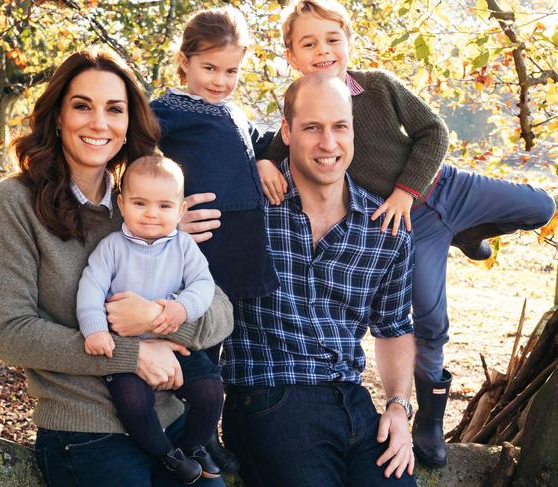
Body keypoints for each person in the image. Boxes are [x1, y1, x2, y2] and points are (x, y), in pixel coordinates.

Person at [255, 0, 556, 468]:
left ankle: (473, 232)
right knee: (429, 319)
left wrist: (405, 190)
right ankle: (430, 421)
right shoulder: (300, 106)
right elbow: (280, 147)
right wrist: (260, 163)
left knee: (542, 206)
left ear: (349, 43)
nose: (323, 50)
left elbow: (433, 131)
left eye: (333, 39)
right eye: (308, 43)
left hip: (446, 188)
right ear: (292, 55)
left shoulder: (377, 86)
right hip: (412, 228)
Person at [0, 47, 231, 487]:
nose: (99, 123)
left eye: (114, 109)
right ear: (57, 115)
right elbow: (13, 334)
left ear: (129, 121)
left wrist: (158, 317)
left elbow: (222, 312)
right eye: (82, 106)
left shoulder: (144, 204)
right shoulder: (14, 202)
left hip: (172, 422)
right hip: (87, 434)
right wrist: (135, 354)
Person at [185, 74, 417, 486]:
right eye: (312, 127)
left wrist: (398, 406)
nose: (329, 143)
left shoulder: (385, 227)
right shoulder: (245, 211)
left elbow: (394, 327)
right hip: (269, 395)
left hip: (355, 402)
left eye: (339, 127)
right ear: (287, 132)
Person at [149, 6, 278, 471]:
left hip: (240, 245)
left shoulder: (234, 111)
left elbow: (260, 139)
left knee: (224, 342)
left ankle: (216, 429)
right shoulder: (166, 111)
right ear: (184, 61)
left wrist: (264, 159)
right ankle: (195, 433)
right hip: (201, 245)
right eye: (209, 68)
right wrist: (165, 213)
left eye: (231, 70)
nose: (221, 80)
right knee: (197, 342)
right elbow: (136, 163)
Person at [76, 155, 223, 483]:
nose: (152, 214)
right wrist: (96, 330)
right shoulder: (111, 247)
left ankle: (194, 445)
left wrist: (180, 308)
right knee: (132, 402)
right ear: (122, 203)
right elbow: (90, 287)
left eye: (164, 206)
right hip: (126, 348)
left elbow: (203, 285)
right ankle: (166, 455)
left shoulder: (184, 246)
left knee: (210, 390)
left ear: (181, 210)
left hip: (172, 343)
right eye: (140, 203)